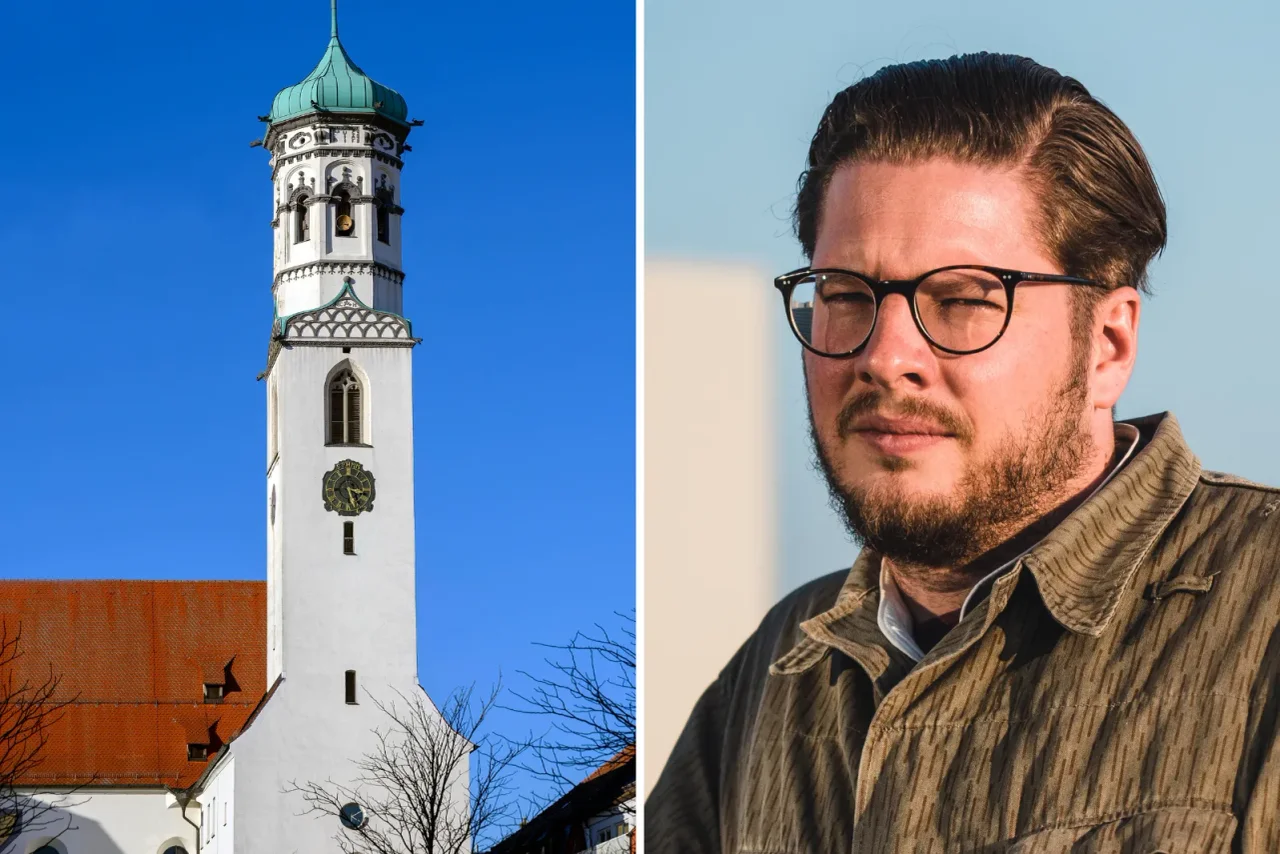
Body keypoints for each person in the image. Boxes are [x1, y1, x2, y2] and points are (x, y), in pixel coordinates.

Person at [646, 52, 1280, 852]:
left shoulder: (1264, 615)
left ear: (1108, 345)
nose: (885, 355)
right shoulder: (776, 671)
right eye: (847, 295)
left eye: (964, 299)